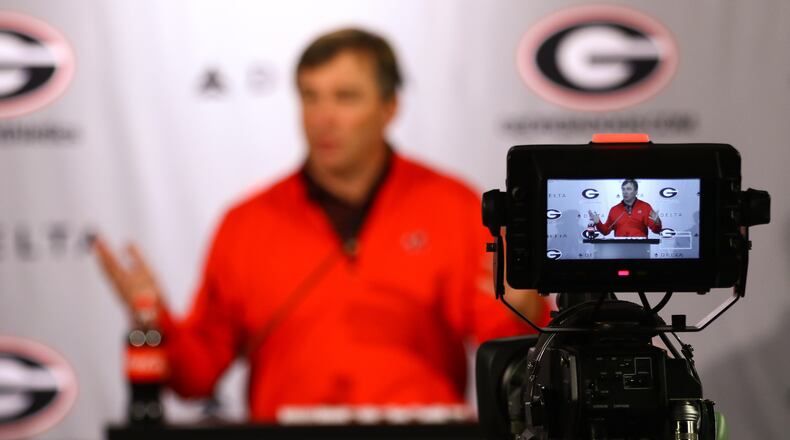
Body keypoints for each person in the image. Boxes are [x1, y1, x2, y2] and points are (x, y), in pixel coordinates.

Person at [95, 28, 548, 422]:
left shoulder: (454, 206)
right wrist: (154, 322)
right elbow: (196, 377)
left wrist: (527, 310)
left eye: (345, 97)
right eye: (310, 96)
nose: (322, 117)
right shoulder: (247, 222)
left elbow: (510, 358)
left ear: (390, 107)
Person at [588, 179, 662, 238]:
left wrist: (657, 222)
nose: (625, 192)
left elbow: (657, 230)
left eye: (628, 189)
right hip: (620, 249)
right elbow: (605, 231)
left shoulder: (645, 207)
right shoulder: (614, 210)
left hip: (641, 248)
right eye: (623, 189)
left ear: (636, 191)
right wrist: (598, 223)